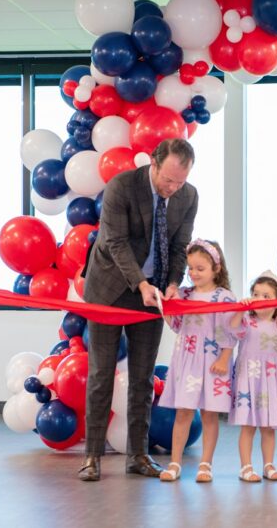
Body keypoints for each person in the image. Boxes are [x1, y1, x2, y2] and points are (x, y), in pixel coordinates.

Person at [79, 138, 198, 482]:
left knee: (143, 378)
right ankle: (92, 457)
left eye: (181, 181)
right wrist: (140, 283)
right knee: (101, 375)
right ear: (154, 164)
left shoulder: (188, 196)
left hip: (154, 295)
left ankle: (138, 455)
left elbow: (179, 246)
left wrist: (173, 283)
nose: (174, 188)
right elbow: (114, 242)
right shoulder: (122, 185)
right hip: (110, 289)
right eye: (168, 180)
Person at [157, 239, 236, 483]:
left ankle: (205, 464)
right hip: (187, 361)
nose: (193, 274)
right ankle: (175, 462)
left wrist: (224, 358)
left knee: (210, 415)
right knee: (183, 413)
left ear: (216, 268)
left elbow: (229, 332)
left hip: (213, 362)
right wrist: (165, 307)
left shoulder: (224, 298)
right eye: (190, 268)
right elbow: (177, 326)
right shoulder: (185, 295)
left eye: (200, 269)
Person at [227, 270, 277, 482]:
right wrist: (239, 310)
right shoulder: (246, 322)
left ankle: (268, 464)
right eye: (256, 294)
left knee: (268, 427)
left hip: (270, 381)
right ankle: (246, 467)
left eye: (266, 296)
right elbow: (231, 330)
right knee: (248, 426)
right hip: (249, 380)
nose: (260, 299)